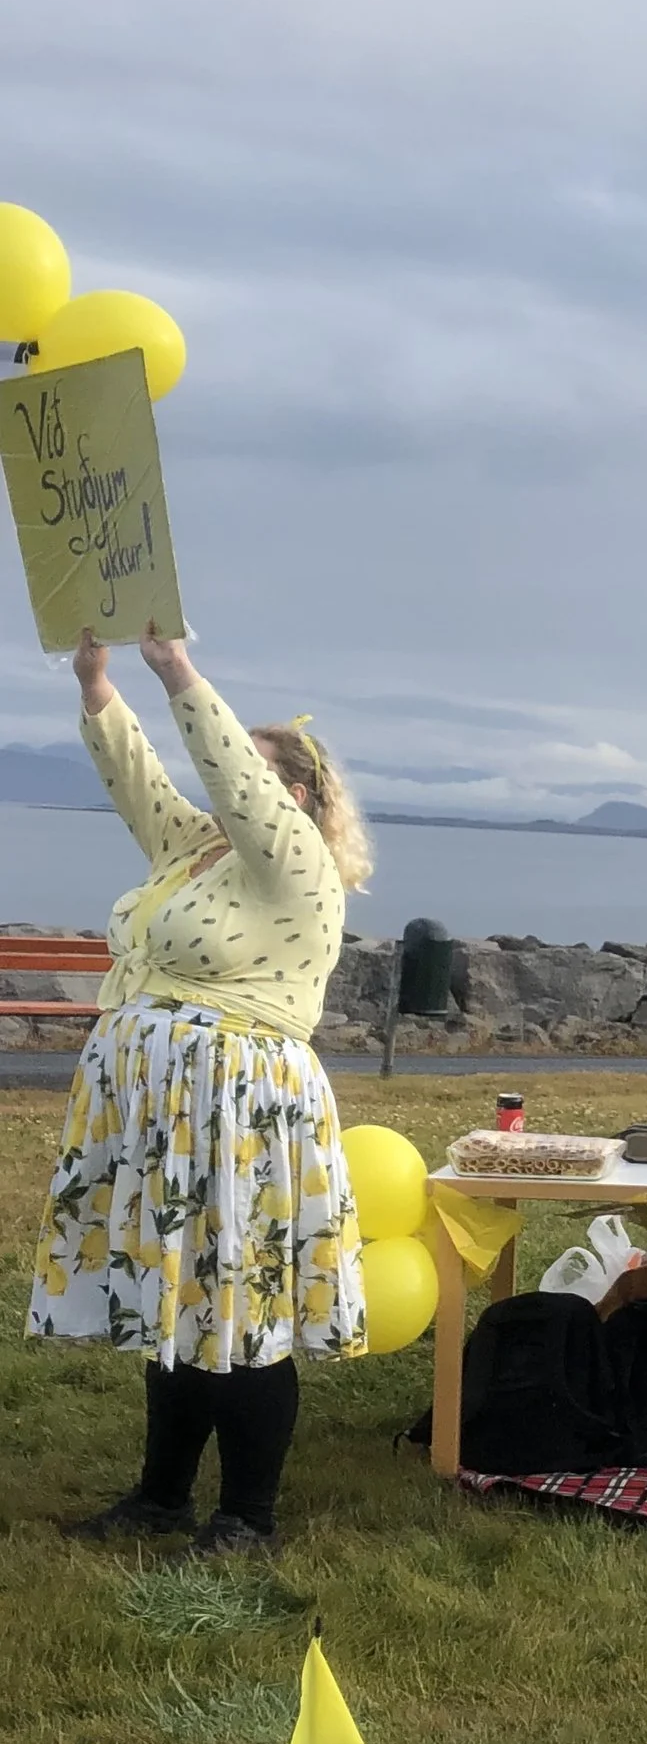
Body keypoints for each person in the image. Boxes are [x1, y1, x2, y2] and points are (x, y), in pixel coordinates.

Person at [34, 626, 372, 1554]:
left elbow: (228, 773)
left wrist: (177, 671)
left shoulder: (296, 866)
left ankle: (247, 1515)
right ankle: (160, 1496)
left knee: (242, 1300)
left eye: (249, 781)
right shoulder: (197, 854)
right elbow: (141, 778)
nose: (224, 792)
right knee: (175, 1294)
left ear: (293, 797)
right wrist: (98, 684)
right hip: (168, 1113)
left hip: (243, 1112)